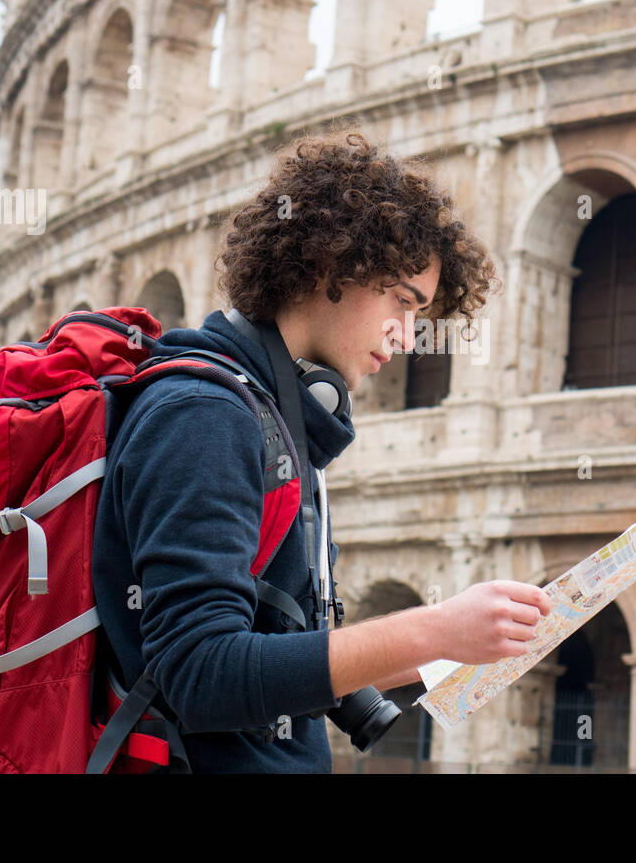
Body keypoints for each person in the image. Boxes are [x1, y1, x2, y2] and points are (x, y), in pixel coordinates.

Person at [91, 130, 552, 772]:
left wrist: (435, 648)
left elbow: (268, 642)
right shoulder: (204, 415)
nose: (409, 338)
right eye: (402, 301)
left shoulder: (277, 415)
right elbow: (197, 673)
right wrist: (435, 627)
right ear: (330, 266)